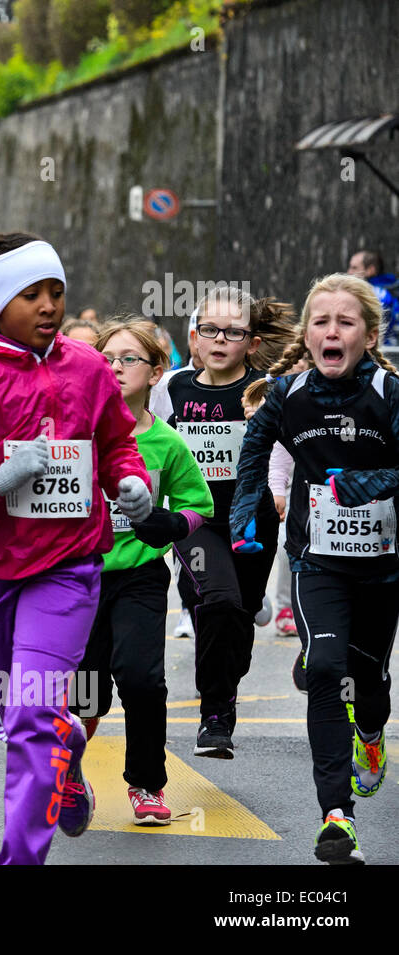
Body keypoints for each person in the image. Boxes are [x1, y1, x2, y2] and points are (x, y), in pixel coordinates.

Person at [0, 233, 152, 865]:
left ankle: (20, 859)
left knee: (30, 715)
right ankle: (63, 755)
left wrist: (131, 482)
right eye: (30, 294)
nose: (48, 305)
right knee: (25, 717)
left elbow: (118, 440)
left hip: (67, 568)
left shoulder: (88, 368)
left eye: (56, 292)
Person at [232, 273, 399, 864]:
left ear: (369, 335)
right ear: (307, 333)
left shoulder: (388, 393)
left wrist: (372, 481)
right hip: (314, 561)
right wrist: (244, 523)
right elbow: (254, 457)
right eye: (321, 321)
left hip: (382, 570)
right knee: (325, 667)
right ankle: (336, 816)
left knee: (368, 682)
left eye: (345, 322)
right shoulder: (288, 395)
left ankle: (372, 737)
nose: (332, 331)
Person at [72, 317, 213, 825]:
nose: (114, 368)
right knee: (84, 691)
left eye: (128, 359)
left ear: (156, 373)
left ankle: (147, 785)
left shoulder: (167, 443)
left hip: (139, 578)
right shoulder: (73, 434)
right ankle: (67, 768)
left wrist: (169, 522)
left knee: (142, 678)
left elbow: (200, 506)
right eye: (106, 359)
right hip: (76, 577)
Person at [166, 291, 294, 758]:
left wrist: (278, 489)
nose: (220, 339)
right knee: (217, 600)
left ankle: (227, 682)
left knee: (239, 612)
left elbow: (284, 447)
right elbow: (155, 441)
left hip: (252, 518)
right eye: (209, 330)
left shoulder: (268, 389)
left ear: (252, 343)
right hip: (196, 521)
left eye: (233, 332)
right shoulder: (175, 388)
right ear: (194, 338)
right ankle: (215, 714)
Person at [347, 250, 397, 344]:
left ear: (370, 270)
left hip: (381, 350)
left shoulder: (377, 295)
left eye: (354, 268)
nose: (349, 272)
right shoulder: (388, 289)